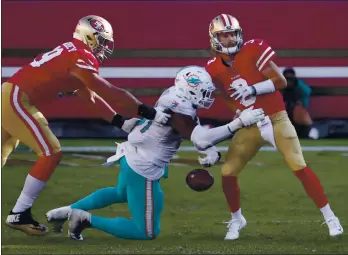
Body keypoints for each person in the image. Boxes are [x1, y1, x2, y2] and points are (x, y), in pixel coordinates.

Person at [45, 66, 265, 241]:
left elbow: (190, 130)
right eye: (203, 92)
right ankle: (84, 219)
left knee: (121, 193)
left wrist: (210, 148)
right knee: (146, 231)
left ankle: (65, 211)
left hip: (133, 156)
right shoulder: (180, 107)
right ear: (189, 88)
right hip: (143, 167)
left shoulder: (175, 96)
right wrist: (238, 123)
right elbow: (198, 137)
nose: (207, 97)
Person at [2, 15, 170, 236]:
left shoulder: (73, 52)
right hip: (16, 99)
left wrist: (119, 121)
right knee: (51, 152)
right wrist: (146, 110)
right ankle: (19, 213)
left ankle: (19, 213)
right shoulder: (80, 55)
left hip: (12, 97)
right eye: (101, 40)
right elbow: (108, 91)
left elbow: (89, 97)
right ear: (89, 36)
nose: (104, 47)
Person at [205, 14, 343, 240]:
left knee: (299, 166)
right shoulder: (212, 68)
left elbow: (281, 80)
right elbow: (226, 95)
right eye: (224, 35)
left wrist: (252, 90)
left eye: (232, 33)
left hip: (276, 118)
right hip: (249, 125)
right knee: (228, 173)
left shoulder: (253, 49)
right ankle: (237, 219)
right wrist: (239, 112)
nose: (230, 38)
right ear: (214, 38)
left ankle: (330, 217)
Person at [282, 68, 318, 139]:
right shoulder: (280, 87)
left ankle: (308, 132)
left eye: (290, 79)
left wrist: (296, 83)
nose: (289, 82)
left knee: (298, 108)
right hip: (283, 120)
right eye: (287, 79)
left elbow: (307, 91)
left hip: (300, 123)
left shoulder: (300, 88)